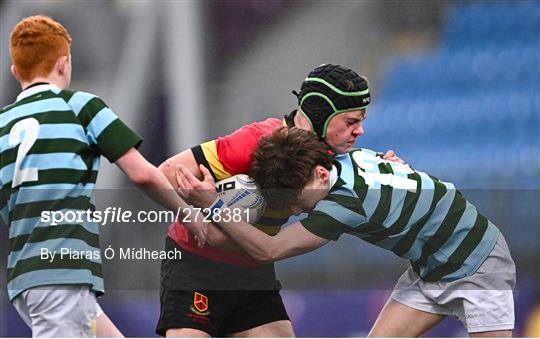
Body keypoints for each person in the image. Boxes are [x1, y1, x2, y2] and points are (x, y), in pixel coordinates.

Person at [175, 127, 516, 338]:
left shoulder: (344, 205)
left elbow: (269, 251)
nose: (294, 210)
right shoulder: (352, 157)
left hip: (480, 264)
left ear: (321, 175)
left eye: (296, 200)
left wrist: (213, 204)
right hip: (428, 271)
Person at [156, 63, 403, 337]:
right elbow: (164, 174)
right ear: (320, 114)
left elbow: (364, 178)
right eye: (351, 122)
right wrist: (194, 219)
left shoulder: (334, 159)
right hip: (195, 268)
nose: (360, 132)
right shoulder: (254, 141)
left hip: (253, 273)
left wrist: (385, 170)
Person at [0, 15, 205, 338]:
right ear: (64, 65)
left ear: (15, 72)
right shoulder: (81, 107)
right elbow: (142, 174)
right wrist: (189, 214)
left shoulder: (3, 124)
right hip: (61, 275)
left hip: (27, 276)